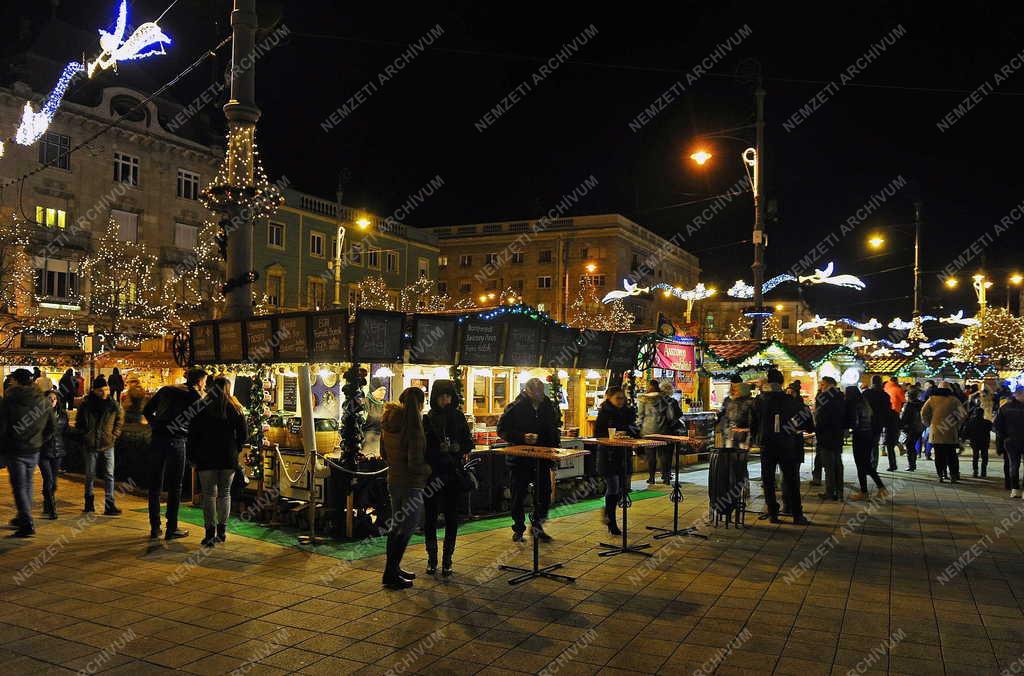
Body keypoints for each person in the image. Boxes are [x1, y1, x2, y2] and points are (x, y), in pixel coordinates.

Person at [143, 368, 207, 540]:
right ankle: (172, 527)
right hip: (177, 441)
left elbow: (147, 410)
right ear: (200, 381)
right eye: (205, 382)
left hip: (157, 439)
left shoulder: (166, 389)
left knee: (155, 486)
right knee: (175, 486)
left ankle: (155, 527)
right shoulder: (196, 397)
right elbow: (200, 424)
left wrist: (157, 426)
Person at [497, 378, 561, 542]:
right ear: (527, 391)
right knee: (518, 494)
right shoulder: (515, 407)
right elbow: (502, 430)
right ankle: (518, 528)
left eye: (541, 391)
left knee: (544, 493)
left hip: (542, 458)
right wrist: (522, 437)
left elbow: (553, 429)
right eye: (536, 392)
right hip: (520, 459)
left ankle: (537, 527)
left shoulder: (548, 407)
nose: (539, 395)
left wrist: (554, 450)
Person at [380, 387, 430, 589]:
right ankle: (390, 573)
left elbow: (383, 454)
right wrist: (429, 470)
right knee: (407, 527)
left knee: (396, 526)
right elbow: (415, 463)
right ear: (419, 404)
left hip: (394, 480)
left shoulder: (388, 422)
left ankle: (393, 568)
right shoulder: (413, 428)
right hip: (411, 484)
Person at [187, 377, 247, 547]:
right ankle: (222, 531)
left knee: (209, 495)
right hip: (228, 457)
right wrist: (236, 448)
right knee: (225, 494)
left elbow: (192, 435)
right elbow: (243, 435)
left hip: (206, 457)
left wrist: (192, 456)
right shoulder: (235, 408)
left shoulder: (201, 407)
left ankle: (209, 533)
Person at [423, 380, 473, 576]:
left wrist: (457, 448)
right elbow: (423, 449)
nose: (445, 400)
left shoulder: (459, 417)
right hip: (434, 474)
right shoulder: (428, 419)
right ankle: (432, 558)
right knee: (430, 518)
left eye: (448, 396)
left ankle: (447, 560)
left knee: (452, 518)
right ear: (435, 397)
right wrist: (437, 450)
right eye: (442, 396)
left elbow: (468, 443)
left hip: (452, 474)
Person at [1, 369, 56, 537]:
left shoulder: (9, 400)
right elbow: (51, 427)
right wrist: (38, 440)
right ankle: (23, 515)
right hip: (34, 450)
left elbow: (2, 428)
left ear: (17, 381)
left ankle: (26, 523)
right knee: (28, 483)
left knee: (19, 486)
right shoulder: (43, 401)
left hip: (15, 449)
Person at [754, 369, 812, 524]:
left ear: (767, 382)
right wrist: (795, 428)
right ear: (781, 383)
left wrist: (756, 437)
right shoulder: (791, 401)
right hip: (787, 444)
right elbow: (808, 421)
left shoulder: (760, 401)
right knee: (791, 479)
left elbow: (752, 423)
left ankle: (773, 513)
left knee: (768, 479)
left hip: (767, 444)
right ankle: (797, 514)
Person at [75, 375, 124, 515]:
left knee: (109, 474)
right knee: (90, 474)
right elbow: (80, 423)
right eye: (101, 390)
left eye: (106, 389)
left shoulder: (113, 405)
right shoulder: (86, 405)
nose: (105, 393)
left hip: (108, 444)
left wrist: (114, 436)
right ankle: (89, 503)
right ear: (94, 391)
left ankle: (110, 504)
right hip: (90, 444)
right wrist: (85, 435)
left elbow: (119, 421)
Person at [594, 386, 638, 535]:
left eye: (622, 398)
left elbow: (634, 429)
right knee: (613, 486)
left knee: (622, 487)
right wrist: (612, 435)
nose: (620, 401)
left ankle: (607, 512)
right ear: (609, 398)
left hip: (623, 454)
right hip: (608, 454)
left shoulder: (627, 412)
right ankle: (611, 521)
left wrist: (629, 432)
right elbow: (598, 433)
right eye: (617, 398)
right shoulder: (604, 413)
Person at [636, 379, 681, 485]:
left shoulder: (643, 400)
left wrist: (638, 428)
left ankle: (651, 477)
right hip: (663, 431)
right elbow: (670, 417)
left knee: (651, 456)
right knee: (664, 455)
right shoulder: (664, 400)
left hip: (647, 431)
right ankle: (666, 477)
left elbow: (640, 416)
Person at [921, 382, 967, 484]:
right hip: (950, 431)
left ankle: (941, 474)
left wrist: (929, 424)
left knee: (939, 455)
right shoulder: (954, 400)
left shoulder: (932, 399)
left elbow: (923, 413)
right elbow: (962, 414)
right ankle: (953, 475)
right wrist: (957, 425)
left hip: (936, 431)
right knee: (951, 454)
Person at [846, 386, 886, 500]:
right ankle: (877, 489)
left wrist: (847, 428)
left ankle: (866, 491)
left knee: (861, 464)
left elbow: (854, 422)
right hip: (868, 434)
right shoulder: (864, 403)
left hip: (859, 436)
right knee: (866, 464)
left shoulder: (855, 405)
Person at [813, 377, 846, 501]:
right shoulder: (841, 397)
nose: (820, 387)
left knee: (829, 465)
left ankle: (830, 492)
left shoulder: (824, 398)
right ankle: (840, 491)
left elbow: (820, 418)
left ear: (828, 385)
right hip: (837, 434)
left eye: (822, 384)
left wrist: (816, 429)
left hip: (826, 435)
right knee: (837, 463)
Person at [40, 389, 68, 520]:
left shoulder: (62, 415)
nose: (52, 401)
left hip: (58, 451)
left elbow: (66, 432)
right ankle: (52, 509)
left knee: (53, 482)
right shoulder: (39, 415)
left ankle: (47, 503)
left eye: (54, 399)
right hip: (44, 452)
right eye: (49, 399)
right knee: (48, 479)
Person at [994, 388, 1024, 498]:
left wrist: (1004, 437)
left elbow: (997, 426)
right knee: (1014, 465)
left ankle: (1015, 489)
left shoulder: (1005, 408)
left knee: (1014, 464)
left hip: (1011, 441)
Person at [863, 376, 892, 471]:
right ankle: (873, 466)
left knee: (867, 445)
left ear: (872, 382)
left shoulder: (866, 393)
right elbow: (888, 411)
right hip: (878, 423)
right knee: (874, 444)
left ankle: (867, 465)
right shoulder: (885, 395)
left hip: (866, 423)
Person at [718, 381, 755, 449]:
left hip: (741, 431)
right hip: (732, 431)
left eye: (737, 389)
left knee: (740, 450)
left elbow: (749, 418)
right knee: (732, 451)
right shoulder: (731, 400)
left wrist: (747, 429)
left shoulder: (748, 402)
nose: (735, 391)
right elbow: (726, 416)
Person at [962, 405, 992, 479]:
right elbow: (991, 429)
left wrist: (963, 439)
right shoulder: (987, 423)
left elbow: (966, 432)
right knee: (984, 457)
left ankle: (975, 470)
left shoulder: (971, 422)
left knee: (975, 456)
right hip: (984, 442)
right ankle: (983, 471)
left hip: (974, 441)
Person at [899, 385, 924, 472]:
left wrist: (901, 425)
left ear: (909, 396)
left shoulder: (908, 405)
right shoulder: (921, 404)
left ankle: (911, 465)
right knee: (912, 445)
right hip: (919, 428)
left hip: (910, 428)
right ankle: (913, 463)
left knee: (909, 447)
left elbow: (904, 418)